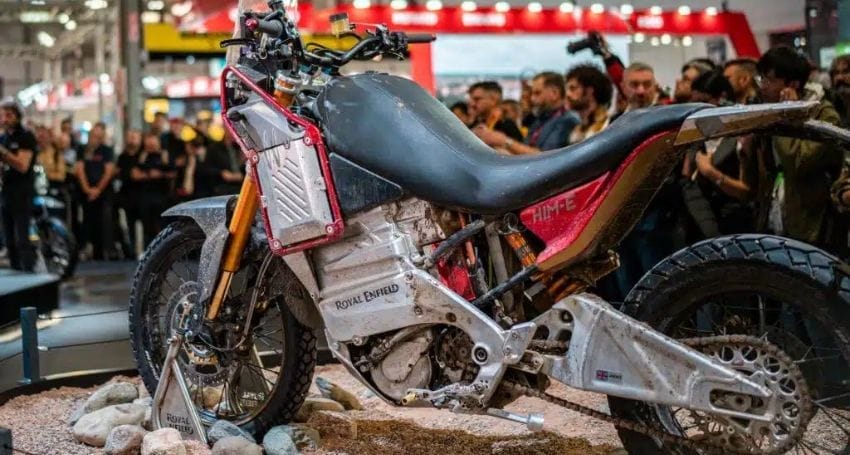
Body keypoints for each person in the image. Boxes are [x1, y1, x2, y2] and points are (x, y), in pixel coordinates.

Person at [699, 46, 842, 248]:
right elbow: (756, 178)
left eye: (769, 80)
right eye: (761, 79)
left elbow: (797, 163)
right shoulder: (768, 113)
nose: (762, 86)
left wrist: (789, 114)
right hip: (773, 215)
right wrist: (746, 152)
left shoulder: (823, 115)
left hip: (809, 223)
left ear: (792, 84)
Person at [474, 72, 577, 154]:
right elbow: (526, 149)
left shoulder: (567, 120)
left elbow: (548, 158)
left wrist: (503, 141)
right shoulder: (541, 118)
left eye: (537, 93)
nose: (532, 99)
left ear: (554, 93)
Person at [0, 102, 38, 272]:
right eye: (3, 115)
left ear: (17, 116)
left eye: (9, 115)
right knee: (9, 240)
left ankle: (28, 272)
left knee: (22, 238)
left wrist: (4, 154)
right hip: (6, 193)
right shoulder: (4, 138)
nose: (5, 119)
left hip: (22, 192)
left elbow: (23, 165)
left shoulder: (25, 137)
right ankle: (16, 272)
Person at [75, 122, 116, 260]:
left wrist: (97, 190)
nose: (95, 139)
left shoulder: (106, 150)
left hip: (103, 193)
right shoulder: (82, 149)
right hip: (86, 193)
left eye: (98, 136)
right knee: (87, 221)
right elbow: (79, 170)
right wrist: (87, 189)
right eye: (93, 135)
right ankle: (86, 248)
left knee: (104, 222)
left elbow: (108, 172)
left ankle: (103, 251)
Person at [134, 133, 175, 246]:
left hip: (161, 196)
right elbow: (135, 174)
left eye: (153, 142)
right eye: (148, 142)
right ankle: (147, 250)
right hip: (145, 196)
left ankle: (164, 248)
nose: (151, 144)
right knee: (147, 226)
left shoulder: (164, 155)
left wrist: (160, 174)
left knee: (163, 226)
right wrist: (149, 175)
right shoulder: (142, 156)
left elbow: (173, 174)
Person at [466, 81, 524, 152]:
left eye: (477, 99)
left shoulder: (507, 126)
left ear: (493, 99)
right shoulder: (476, 124)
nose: (472, 104)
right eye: (471, 100)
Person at [565, 64, 613, 144]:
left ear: (589, 91)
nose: (568, 94)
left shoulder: (609, 124)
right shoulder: (576, 130)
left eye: (573, 88)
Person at [115, 129, 143, 258]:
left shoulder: (143, 155)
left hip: (142, 196)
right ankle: (131, 251)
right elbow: (122, 174)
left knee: (144, 225)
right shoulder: (122, 156)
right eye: (130, 137)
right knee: (129, 225)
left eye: (135, 137)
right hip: (127, 196)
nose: (132, 139)